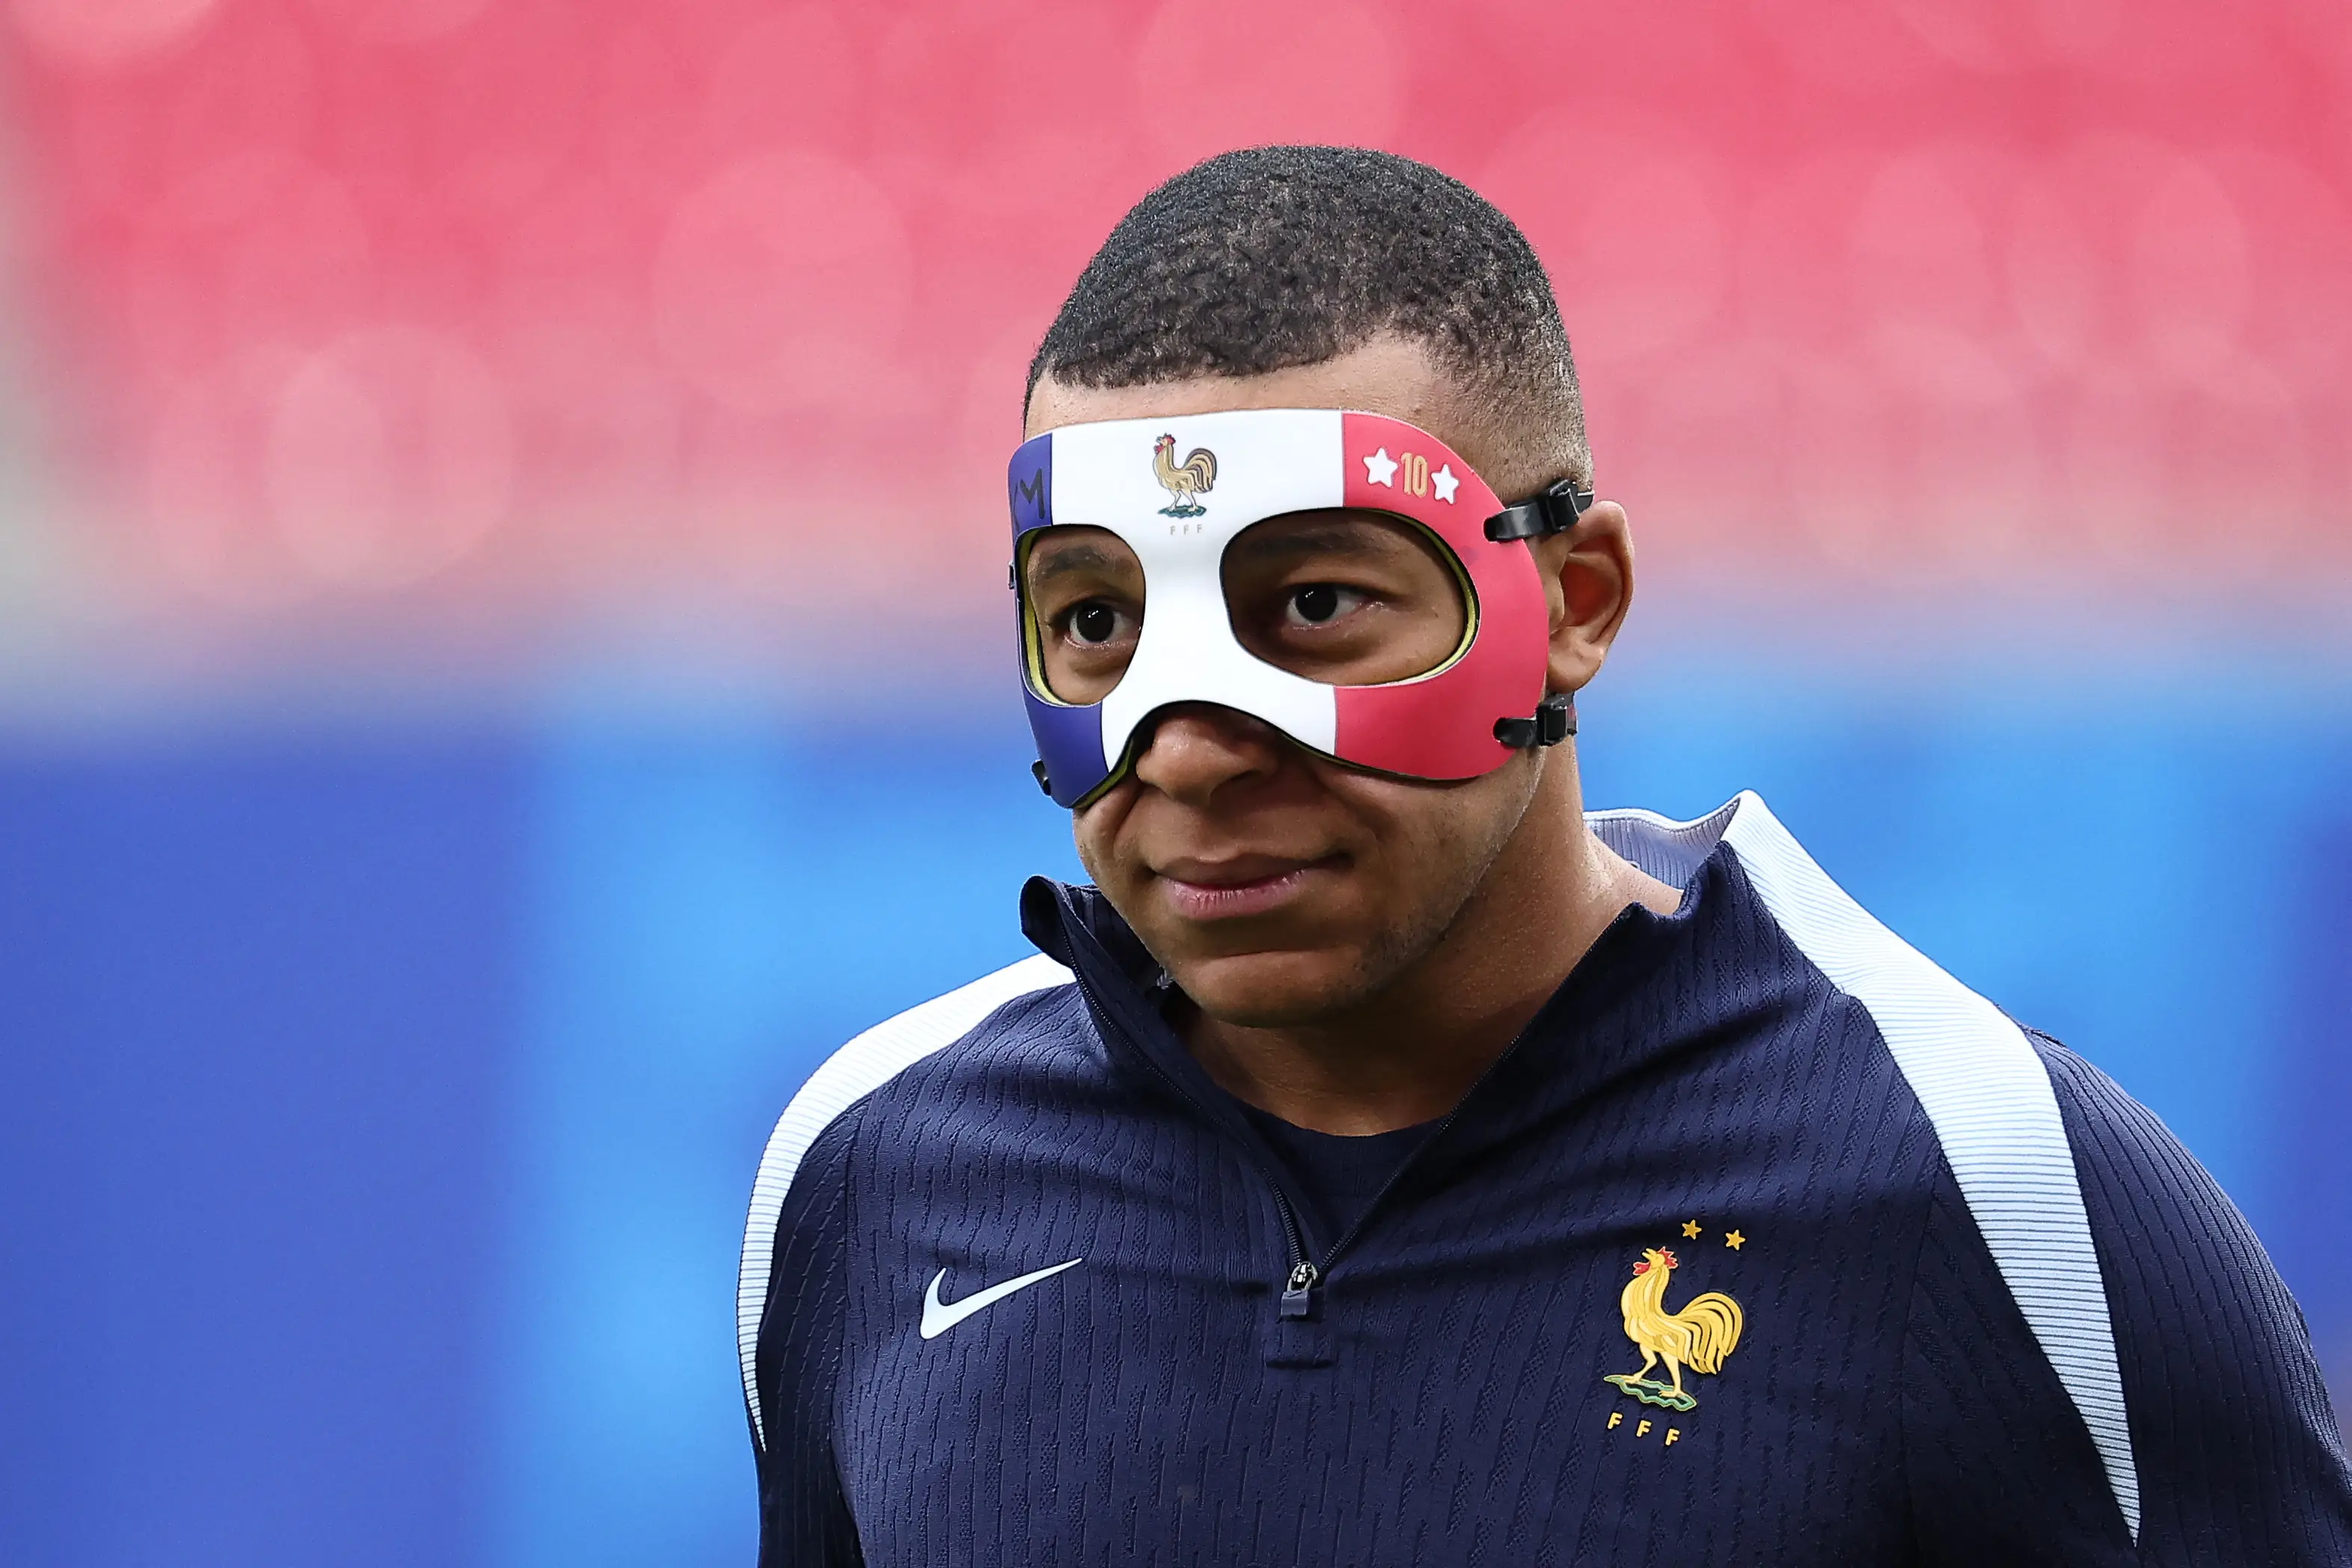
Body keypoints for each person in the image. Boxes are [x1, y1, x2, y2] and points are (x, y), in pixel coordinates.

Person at [738, 146, 2352, 1564]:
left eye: (1313, 607)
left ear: (1575, 600)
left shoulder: (1991, 1191)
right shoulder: (870, 1181)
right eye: (1096, 620)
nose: (1194, 743)